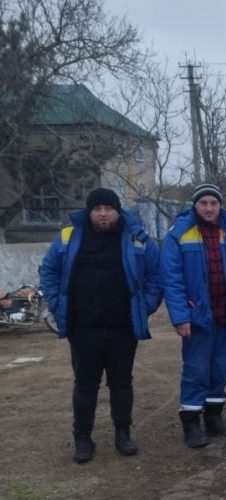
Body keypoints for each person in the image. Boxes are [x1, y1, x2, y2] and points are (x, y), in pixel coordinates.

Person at [40, 188, 161, 463]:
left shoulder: (137, 237)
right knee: (85, 385)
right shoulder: (69, 236)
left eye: (109, 208)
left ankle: (123, 434)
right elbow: (49, 270)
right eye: (97, 209)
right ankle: (83, 439)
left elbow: (156, 275)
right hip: (83, 327)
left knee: (121, 383)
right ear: (89, 211)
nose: (103, 213)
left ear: (118, 211)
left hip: (122, 327)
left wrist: (145, 306)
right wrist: (57, 305)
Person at [161, 183, 226, 448]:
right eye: (203, 203)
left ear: (220, 205)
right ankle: (191, 423)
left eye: (214, 203)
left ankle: (214, 418)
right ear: (195, 206)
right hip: (197, 318)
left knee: (221, 369)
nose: (209, 208)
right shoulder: (179, 234)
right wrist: (181, 317)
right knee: (196, 371)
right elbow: (171, 279)